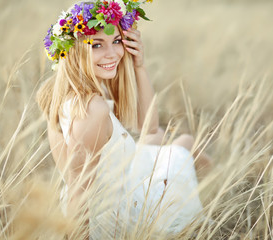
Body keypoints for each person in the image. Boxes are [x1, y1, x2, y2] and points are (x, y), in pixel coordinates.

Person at [37, 1, 212, 238]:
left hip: (118, 184)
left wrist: (139, 66)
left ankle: (215, 199)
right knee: (186, 143)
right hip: (120, 217)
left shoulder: (67, 90)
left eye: (117, 41)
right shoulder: (92, 110)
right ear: (76, 49)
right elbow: (79, 189)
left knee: (160, 137)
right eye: (97, 44)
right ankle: (215, 206)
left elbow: (149, 127)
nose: (112, 54)